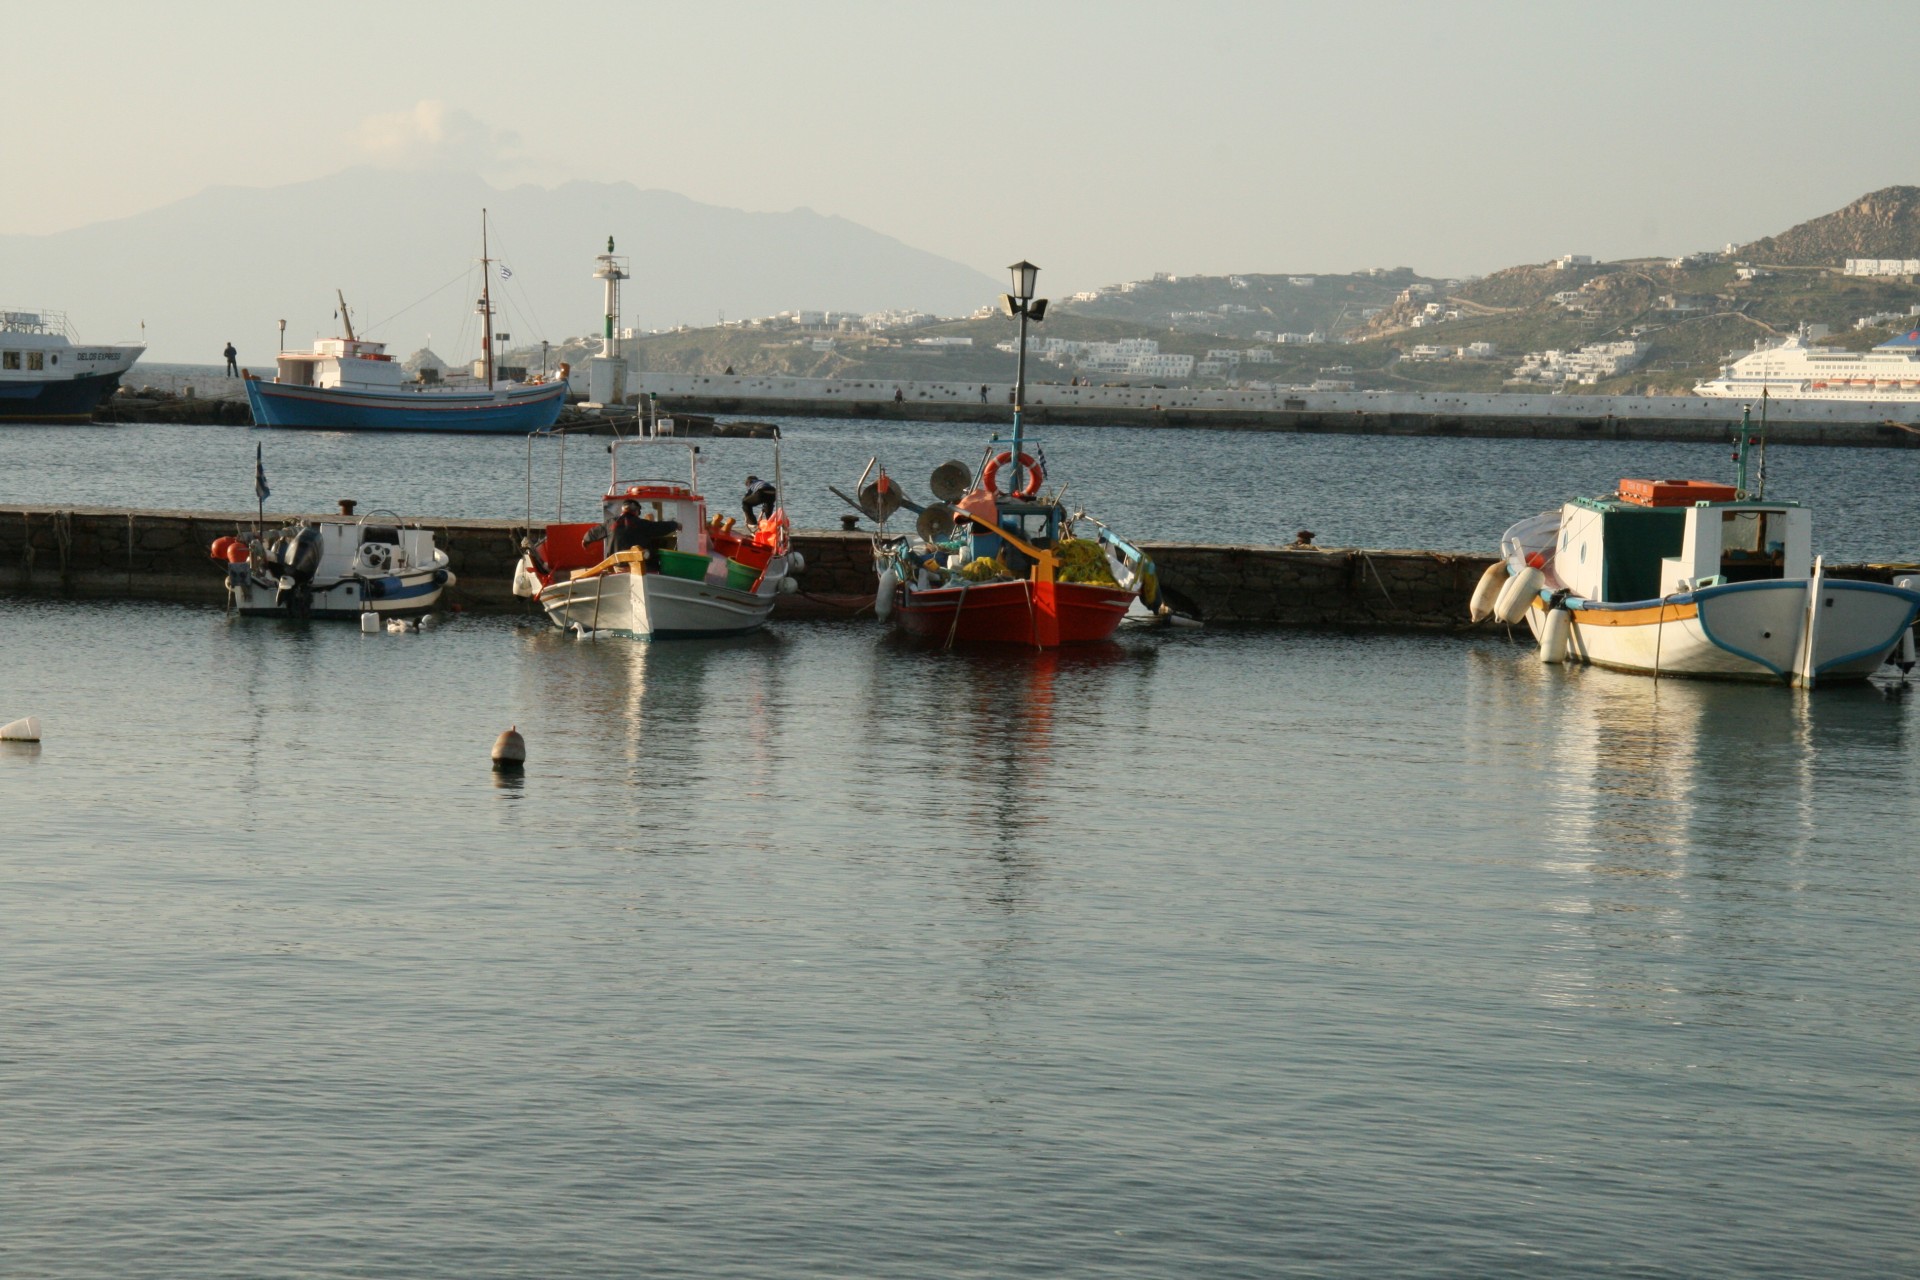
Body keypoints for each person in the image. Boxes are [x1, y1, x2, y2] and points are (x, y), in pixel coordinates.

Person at [608, 500, 680, 565]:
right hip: (640, 566)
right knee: (654, 553)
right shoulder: (642, 524)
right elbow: (660, 527)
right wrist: (675, 525)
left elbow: (596, 534)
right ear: (637, 511)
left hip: (615, 565)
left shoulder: (610, 523)